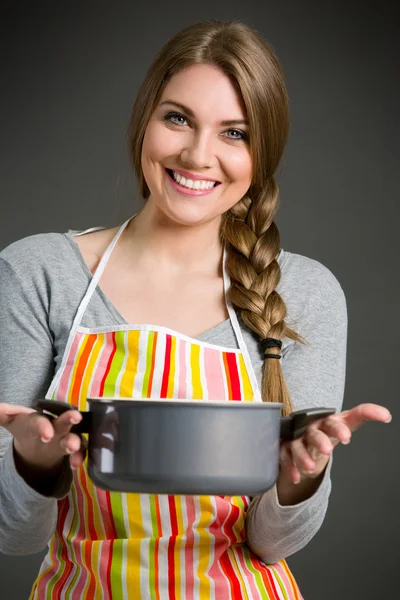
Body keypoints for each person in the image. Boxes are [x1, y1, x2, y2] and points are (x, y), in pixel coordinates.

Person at [0, 19, 391, 600]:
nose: (197, 154)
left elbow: (274, 543)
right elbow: (14, 535)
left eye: (235, 133)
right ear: (144, 122)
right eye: (177, 118)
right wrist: (31, 459)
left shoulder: (305, 292)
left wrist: (299, 479)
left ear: (264, 154)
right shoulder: (38, 273)